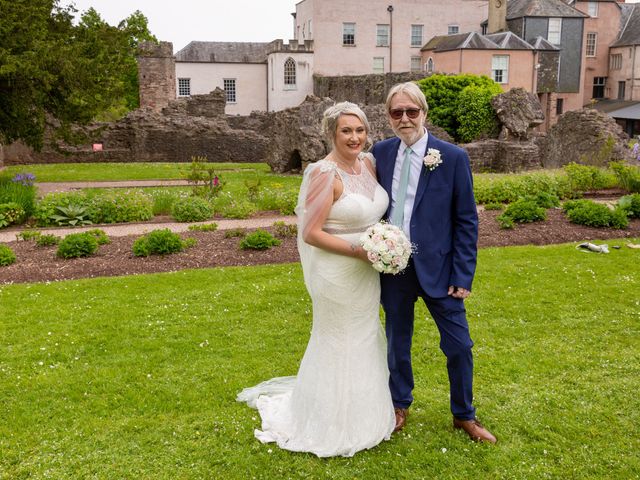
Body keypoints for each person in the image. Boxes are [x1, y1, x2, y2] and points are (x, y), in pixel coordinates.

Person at [237, 102, 395, 457]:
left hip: (367, 270)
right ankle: (330, 423)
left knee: (365, 334)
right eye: (346, 131)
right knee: (338, 340)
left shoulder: (369, 163)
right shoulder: (325, 174)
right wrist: (358, 250)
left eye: (360, 130)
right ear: (331, 134)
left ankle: (365, 414)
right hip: (337, 271)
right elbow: (310, 232)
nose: (354, 138)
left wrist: (384, 245)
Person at [371, 82, 497, 444]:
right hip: (394, 268)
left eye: (412, 111)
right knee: (398, 341)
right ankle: (399, 404)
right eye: (397, 112)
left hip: (442, 270)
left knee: (459, 344)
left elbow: (466, 221)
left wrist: (463, 274)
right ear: (389, 117)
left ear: (424, 113)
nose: (405, 118)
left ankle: (464, 415)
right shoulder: (380, 153)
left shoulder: (452, 157)